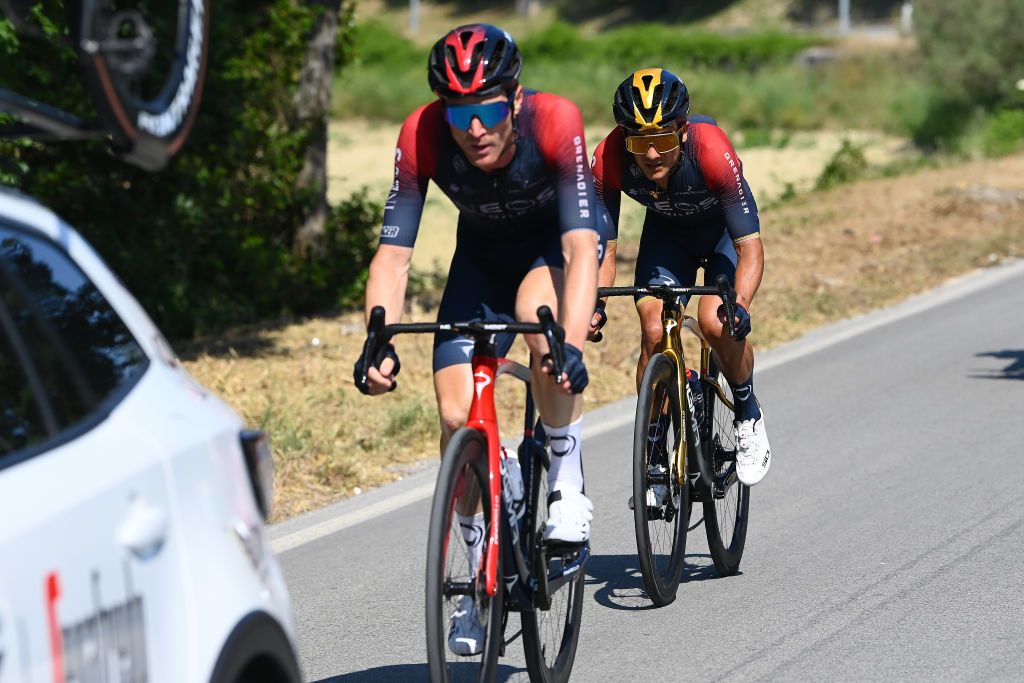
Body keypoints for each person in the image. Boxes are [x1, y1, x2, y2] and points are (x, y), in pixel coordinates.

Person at [352, 24, 603, 655]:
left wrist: (568, 346)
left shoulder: (556, 120)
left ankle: (565, 481)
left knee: (540, 327)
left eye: (489, 110)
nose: (474, 129)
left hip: (550, 248)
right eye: (460, 113)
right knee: (455, 415)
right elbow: (393, 258)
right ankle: (473, 583)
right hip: (480, 261)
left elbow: (580, 248)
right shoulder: (421, 134)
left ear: (514, 100)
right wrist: (377, 339)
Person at [591, 68, 771, 491]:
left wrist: (740, 305)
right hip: (668, 238)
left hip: (723, 236)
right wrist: (593, 304)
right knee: (654, 329)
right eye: (639, 143)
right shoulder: (607, 158)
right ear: (624, 138)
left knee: (716, 323)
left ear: (683, 132)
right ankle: (653, 449)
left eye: (663, 141)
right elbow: (604, 251)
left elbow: (750, 249)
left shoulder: (710, 149)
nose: (651, 155)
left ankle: (747, 412)